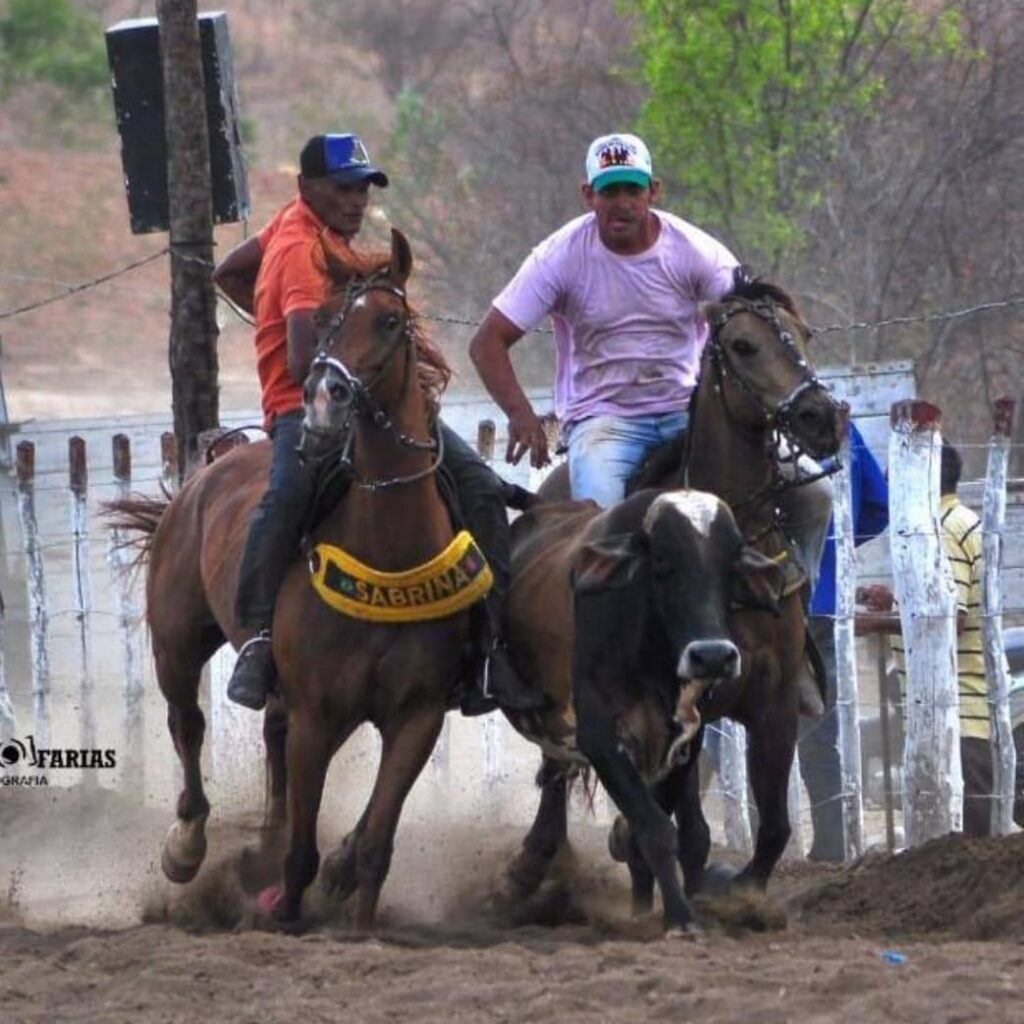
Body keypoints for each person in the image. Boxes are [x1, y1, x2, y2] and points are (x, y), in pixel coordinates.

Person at [213, 133, 530, 716]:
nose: (357, 201)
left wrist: (265, 309)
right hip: (306, 408)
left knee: (480, 486)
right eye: (343, 188)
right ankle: (258, 638)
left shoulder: (296, 224)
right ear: (308, 188)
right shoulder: (302, 255)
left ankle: (489, 651)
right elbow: (304, 363)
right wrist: (292, 323)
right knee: (288, 493)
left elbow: (229, 271)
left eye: (363, 188)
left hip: (376, 405)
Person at [468, 132, 832, 587]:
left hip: (691, 412)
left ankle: (798, 608)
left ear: (653, 191)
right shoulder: (558, 257)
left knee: (814, 493)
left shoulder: (693, 251)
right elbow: (488, 341)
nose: (622, 203)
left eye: (632, 190)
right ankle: (609, 641)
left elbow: (749, 318)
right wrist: (521, 416)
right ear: (588, 195)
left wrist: (784, 395)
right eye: (609, 191)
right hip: (605, 421)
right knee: (602, 537)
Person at [860, 441, 992, 836]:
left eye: (895, 477)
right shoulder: (954, 520)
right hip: (952, 715)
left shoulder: (944, 529)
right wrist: (896, 603)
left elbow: (949, 622)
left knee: (966, 852)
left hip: (957, 716)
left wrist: (877, 624)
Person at [798, 421, 888, 861]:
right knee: (819, 729)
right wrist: (837, 549)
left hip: (766, 601)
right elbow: (878, 504)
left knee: (751, 721)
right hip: (826, 602)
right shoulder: (839, 425)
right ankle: (831, 844)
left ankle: (765, 839)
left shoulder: (751, 419)